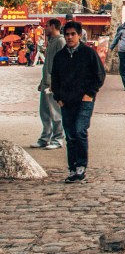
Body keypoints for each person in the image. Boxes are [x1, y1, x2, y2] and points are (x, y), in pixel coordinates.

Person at [50, 21, 105, 183]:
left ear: (79, 35)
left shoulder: (88, 53)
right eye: (67, 34)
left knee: (80, 131)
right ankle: (73, 168)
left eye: (73, 34)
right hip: (66, 101)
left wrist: (90, 94)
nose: (69, 37)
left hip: (84, 100)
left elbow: (99, 75)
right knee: (70, 135)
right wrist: (58, 97)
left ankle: (81, 167)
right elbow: (55, 78)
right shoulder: (60, 56)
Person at [30, 19, 66, 149]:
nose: (45, 28)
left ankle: (58, 139)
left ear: (52, 26)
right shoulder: (51, 42)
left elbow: (61, 64)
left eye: (46, 26)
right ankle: (45, 137)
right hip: (47, 82)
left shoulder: (60, 41)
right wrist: (42, 81)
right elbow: (47, 64)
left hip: (54, 84)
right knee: (45, 111)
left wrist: (56, 82)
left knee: (55, 112)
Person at [109, 9, 125, 90]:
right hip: (122, 50)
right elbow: (116, 38)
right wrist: (111, 47)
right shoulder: (121, 28)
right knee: (123, 67)